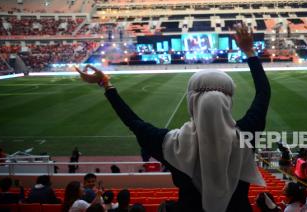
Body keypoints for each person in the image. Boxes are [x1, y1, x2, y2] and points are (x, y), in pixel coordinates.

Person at [76, 24, 270, 212]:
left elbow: (133, 122)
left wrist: (106, 84)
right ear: (228, 101)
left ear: (192, 101)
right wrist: (250, 52)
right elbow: (263, 93)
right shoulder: (246, 134)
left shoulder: (171, 144)